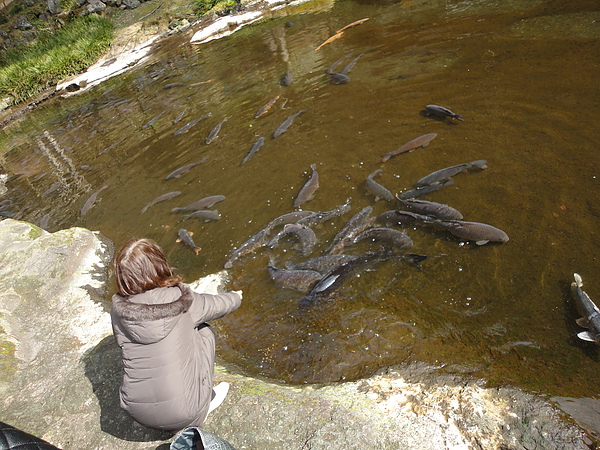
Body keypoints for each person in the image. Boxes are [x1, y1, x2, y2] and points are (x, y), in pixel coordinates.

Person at [110, 238, 242, 432]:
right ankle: (204, 402)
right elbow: (218, 305)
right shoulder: (181, 300)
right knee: (204, 331)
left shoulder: (119, 309)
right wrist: (236, 297)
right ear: (158, 265)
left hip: (136, 411)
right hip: (185, 414)